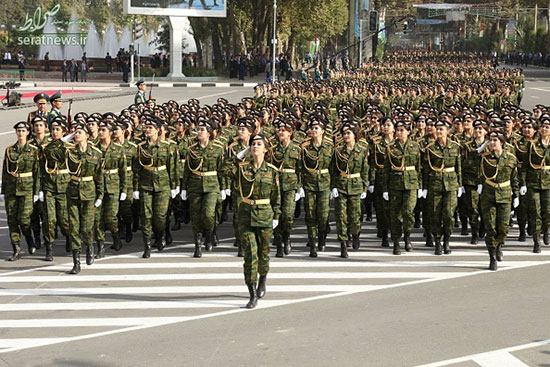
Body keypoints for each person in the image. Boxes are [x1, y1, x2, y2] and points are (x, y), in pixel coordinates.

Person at [231, 134, 280, 309]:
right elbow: (227, 166)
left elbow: (276, 196)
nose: (255, 146)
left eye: (259, 144)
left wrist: (276, 216)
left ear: (266, 149)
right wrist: (244, 151)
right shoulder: (243, 168)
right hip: (246, 216)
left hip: (265, 216)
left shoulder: (272, 171)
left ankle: (263, 279)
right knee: (250, 255)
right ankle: (252, 293)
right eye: (253, 144)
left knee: (264, 254)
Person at [134, 118, 177, 258]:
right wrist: (135, 188)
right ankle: (147, 246)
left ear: (158, 130)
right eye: (146, 127)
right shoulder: (140, 147)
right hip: (146, 184)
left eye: (150, 127)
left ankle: (160, 236)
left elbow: (173, 168)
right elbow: (136, 169)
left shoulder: (168, 146)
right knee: (146, 216)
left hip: (163, 185)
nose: (147, 130)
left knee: (160, 216)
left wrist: (174, 186)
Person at [181, 119, 224, 258]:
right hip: (194, 185)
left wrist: (223, 188)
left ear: (209, 133)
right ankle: (198, 244)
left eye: (202, 130)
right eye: (198, 129)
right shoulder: (192, 149)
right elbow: (187, 170)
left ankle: (210, 234)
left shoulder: (217, 149)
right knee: (195, 216)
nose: (199, 132)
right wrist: (183, 188)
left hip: (212, 186)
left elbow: (221, 170)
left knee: (208, 214)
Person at [66, 123, 104, 274]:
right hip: (73, 191)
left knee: (87, 226)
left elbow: (99, 176)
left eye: (80, 132)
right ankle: (76, 261)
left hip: (89, 191)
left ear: (87, 136)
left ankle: (89, 246)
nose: (77, 134)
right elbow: (51, 149)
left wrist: (100, 195)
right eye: (75, 132)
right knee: (73, 227)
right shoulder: (69, 151)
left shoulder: (96, 153)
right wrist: (67, 138)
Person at [479, 130, 519, 270]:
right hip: (488, 196)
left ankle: (499, 245)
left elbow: (514, 178)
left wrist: (517, 195)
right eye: (490, 140)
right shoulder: (484, 158)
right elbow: (472, 157)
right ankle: (492, 257)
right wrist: (483, 146)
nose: (492, 143)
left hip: (505, 195)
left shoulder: (511, 158)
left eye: (495, 140)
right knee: (490, 227)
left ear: (502, 142)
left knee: (503, 228)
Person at [1, 121, 40, 261]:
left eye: (23, 130)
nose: (20, 133)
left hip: (27, 188)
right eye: (18, 130)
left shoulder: (34, 150)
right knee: (12, 220)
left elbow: (37, 172)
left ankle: (29, 238)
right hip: (12, 188)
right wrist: (3, 190)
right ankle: (16, 248)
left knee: (24, 219)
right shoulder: (10, 149)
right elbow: (5, 171)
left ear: (28, 132)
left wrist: (37, 192)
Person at [423, 120, 462, 255]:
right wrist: (425, 187)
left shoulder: (455, 147)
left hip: (451, 184)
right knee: (435, 214)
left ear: (448, 131)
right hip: (435, 183)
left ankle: (447, 239)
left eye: (441, 129)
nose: (439, 132)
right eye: (437, 129)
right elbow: (426, 169)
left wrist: (460, 185)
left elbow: (458, 167)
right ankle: (437, 241)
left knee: (449, 214)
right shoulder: (430, 148)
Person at [383, 120, 422, 255]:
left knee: (408, 212)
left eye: (402, 130)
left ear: (408, 132)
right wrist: (385, 189)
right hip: (395, 183)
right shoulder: (390, 147)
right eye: (398, 130)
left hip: (411, 183)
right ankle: (396, 241)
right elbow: (386, 169)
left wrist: (421, 185)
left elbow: (419, 167)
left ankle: (407, 236)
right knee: (395, 214)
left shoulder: (415, 146)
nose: (399, 132)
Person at [331, 123, 369, 258]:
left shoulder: (362, 150)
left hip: (356, 185)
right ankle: (343, 243)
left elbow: (365, 170)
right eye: (344, 133)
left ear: (354, 135)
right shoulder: (338, 151)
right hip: (341, 185)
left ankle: (355, 235)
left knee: (355, 216)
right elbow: (334, 170)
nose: (346, 136)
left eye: (349, 133)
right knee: (341, 217)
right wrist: (333, 187)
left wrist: (365, 186)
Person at [93, 120, 127, 259]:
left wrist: (124, 189)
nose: (100, 132)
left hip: (113, 185)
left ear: (111, 133)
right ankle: (100, 246)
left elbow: (123, 170)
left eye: (104, 130)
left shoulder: (118, 149)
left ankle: (115, 236)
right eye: (99, 130)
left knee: (111, 216)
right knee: (97, 218)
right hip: (96, 187)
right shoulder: (93, 148)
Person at [301, 118, 333, 256]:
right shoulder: (305, 148)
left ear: (323, 131)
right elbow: (301, 167)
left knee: (323, 214)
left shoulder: (329, 147)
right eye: (312, 128)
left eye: (316, 128)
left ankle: (322, 238)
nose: (314, 130)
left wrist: (334, 186)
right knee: (310, 214)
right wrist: (300, 185)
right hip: (309, 183)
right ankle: (312, 242)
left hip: (325, 183)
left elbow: (333, 167)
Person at [41, 117, 71, 261]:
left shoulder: (69, 147)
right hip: (49, 186)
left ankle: (69, 238)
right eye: (53, 129)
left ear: (64, 131)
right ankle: (49, 247)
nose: (54, 132)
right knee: (49, 219)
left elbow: (61, 157)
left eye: (58, 129)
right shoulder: (46, 147)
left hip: (65, 186)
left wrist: (63, 144)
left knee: (64, 219)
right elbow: (41, 168)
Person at [271, 119, 302, 257]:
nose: (280, 132)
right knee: (276, 214)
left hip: (290, 185)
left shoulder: (297, 149)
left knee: (288, 215)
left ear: (290, 132)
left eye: (284, 130)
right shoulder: (273, 149)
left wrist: (300, 188)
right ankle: (278, 242)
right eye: (279, 130)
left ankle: (287, 237)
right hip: (276, 184)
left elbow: (300, 170)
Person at [521, 117, 550, 253]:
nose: (545, 129)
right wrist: (523, 183)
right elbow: (525, 166)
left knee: (548, 211)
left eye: (547, 127)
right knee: (535, 212)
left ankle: (546, 230)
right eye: (543, 126)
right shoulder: (532, 145)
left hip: (548, 182)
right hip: (533, 182)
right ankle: (536, 240)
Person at [461, 120, 488, 244]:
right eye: (476, 128)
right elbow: (463, 163)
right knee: (472, 208)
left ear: (486, 131)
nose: (478, 131)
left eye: (481, 129)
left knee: (485, 208)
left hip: (487, 181)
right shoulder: (467, 146)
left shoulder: (490, 145)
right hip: (471, 181)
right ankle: (474, 232)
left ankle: (483, 224)